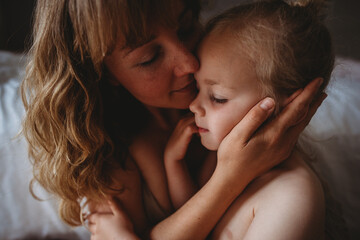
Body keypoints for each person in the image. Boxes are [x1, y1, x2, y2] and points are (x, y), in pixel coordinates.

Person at [21, 0, 326, 239]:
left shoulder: (236, 88)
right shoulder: (107, 150)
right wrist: (230, 177)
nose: (189, 63)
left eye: (185, 28)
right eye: (149, 57)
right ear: (102, 71)